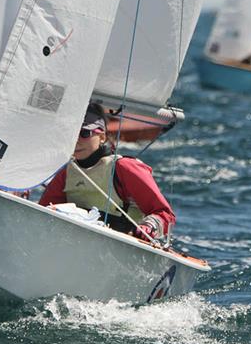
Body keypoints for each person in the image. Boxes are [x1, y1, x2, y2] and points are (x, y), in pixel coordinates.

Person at [39, 103, 176, 241]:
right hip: (77, 240)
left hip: (123, 243)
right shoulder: (67, 172)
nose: (76, 141)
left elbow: (164, 213)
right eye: (72, 134)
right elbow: (42, 213)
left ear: (102, 137)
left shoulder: (125, 168)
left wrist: (147, 228)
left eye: (84, 133)